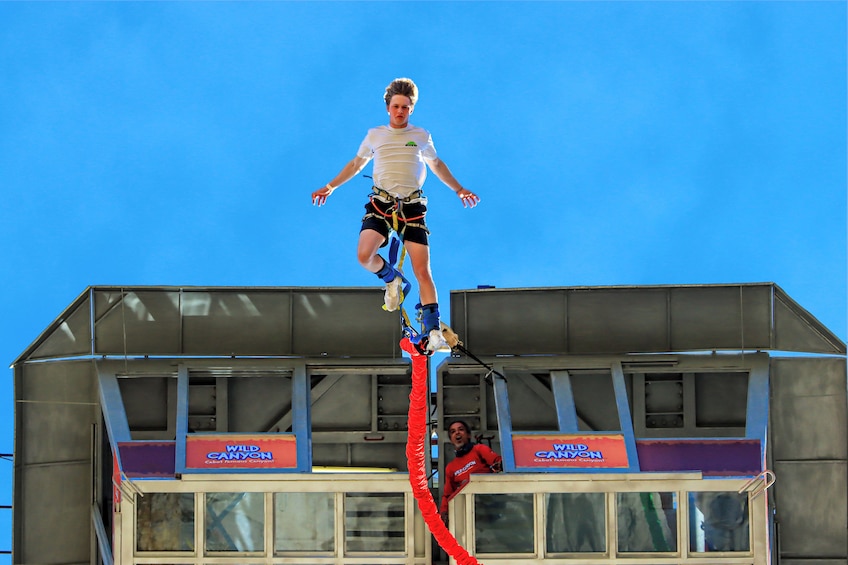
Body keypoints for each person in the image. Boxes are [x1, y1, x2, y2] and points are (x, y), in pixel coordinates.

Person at [311, 78, 479, 353]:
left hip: (412, 209)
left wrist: (459, 189)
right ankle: (391, 278)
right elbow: (356, 164)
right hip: (381, 204)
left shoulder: (421, 136)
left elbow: (436, 164)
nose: (400, 111)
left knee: (423, 270)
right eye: (396, 106)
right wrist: (330, 187)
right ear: (388, 107)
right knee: (364, 255)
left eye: (405, 107)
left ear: (411, 109)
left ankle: (433, 330)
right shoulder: (375, 135)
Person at [439, 419, 502, 521]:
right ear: (451, 440)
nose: (457, 433)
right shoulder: (450, 467)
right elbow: (447, 495)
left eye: (461, 429)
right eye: (453, 431)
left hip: (489, 505)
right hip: (467, 512)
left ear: (468, 435)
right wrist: (444, 512)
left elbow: (498, 462)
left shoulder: (479, 449)